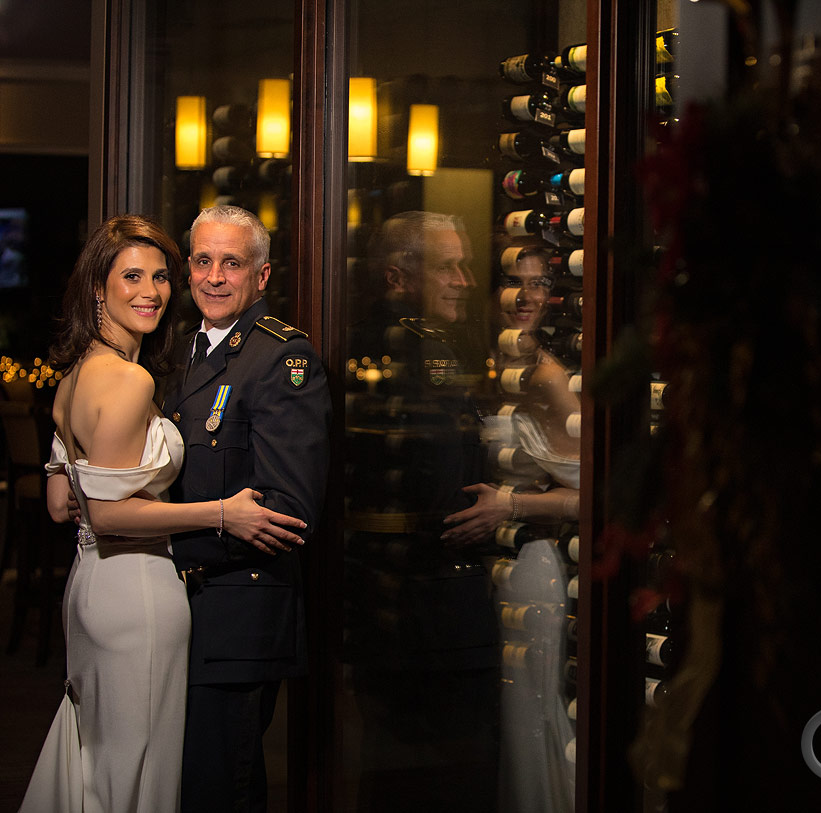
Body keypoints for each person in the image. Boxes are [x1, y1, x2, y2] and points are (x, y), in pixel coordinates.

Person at [18, 214, 308, 813]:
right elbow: (105, 510)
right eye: (201, 262)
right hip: (137, 593)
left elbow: (61, 496)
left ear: (262, 276)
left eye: (159, 276)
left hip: (117, 590)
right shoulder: (137, 371)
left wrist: (74, 482)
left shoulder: (90, 370)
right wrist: (219, 513)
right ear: (99, 287)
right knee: (136, 772)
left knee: (108, 762)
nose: (152, 290)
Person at [162, 204, 331, 813]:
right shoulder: (176, 353)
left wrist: (162, 539)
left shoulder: (282, 359)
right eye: (203, 261)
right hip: (178, 608)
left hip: (237, 613)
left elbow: (289, 511)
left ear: (260, 276)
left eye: (231, 263)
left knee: (221, 790)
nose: (214, 277)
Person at [344, 211, 501, 811]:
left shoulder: (365, 340)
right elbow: (442, 485)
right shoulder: (420, 351)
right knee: (443, 772)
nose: (464, 279)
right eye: (448, 266)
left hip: (383, 599)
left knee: (389, 767)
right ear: (397, 277)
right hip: (427, 602)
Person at [439, 246, 580, 546]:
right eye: (513, 282)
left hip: (521, 556)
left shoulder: (546, 378)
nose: (526, 297)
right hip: (465, 555)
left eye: (539, 284)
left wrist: (510, 505)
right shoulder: (469, 361)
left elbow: (590, 494)